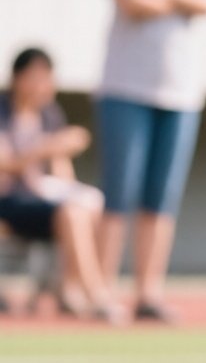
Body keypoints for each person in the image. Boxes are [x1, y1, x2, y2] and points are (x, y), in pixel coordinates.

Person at [96, 0, 206, 322]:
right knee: (119, 192)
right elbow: (130, 0)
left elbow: (205, 0)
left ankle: (149, 291)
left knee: (160, 198)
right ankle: (103, 291)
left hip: (181, 91)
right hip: (125, 86)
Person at [0, 48, 120, 321]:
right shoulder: (4, 112)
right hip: (9, 202)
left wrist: (61, 155)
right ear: (18, 78)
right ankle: (95, 294)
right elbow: (7, 163)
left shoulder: (49, 115)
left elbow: (61, 175)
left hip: (40, 202)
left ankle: (70, 288)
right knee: (71, 212)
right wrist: (43, 149)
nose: (42, 85)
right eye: (36, 77)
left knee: (85, 206)